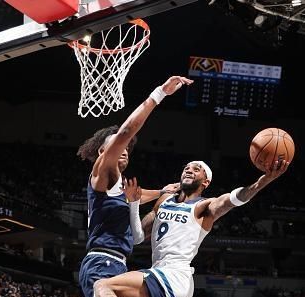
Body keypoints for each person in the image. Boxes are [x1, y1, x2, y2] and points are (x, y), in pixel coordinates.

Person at [93, 159, 290, 297]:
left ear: (205, 182)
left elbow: (236, 199)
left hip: (175, 275)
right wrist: (134, 203)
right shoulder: (164, 200)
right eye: (186, 168)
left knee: (103, 286)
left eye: (196, 169)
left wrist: (266, 179)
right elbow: (136, 237)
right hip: (160, 273)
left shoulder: (204, 206)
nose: (188, 170)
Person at [76, 76, 193, 297]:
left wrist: (162, 191)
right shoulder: (102, 171)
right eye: (119, 145)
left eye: (128, 148)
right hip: (101, 262)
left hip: (117, 264)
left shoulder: (118, 185)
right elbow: (127, 131)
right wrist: (159, 94)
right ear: (103, 152)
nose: (125, 148)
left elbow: (138, 194)